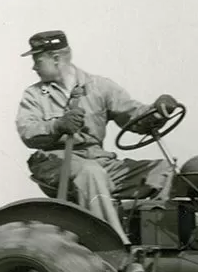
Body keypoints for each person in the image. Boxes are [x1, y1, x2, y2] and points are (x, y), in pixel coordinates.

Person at [15, 30, 179, 244]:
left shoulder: (100, 87)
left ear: (56, 59)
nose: (34, 67)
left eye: (38, 60)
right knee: (91, 173)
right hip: (54, 161)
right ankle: (112, 248)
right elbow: (28, 132)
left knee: (165, 172)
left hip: (99, 161)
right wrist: (57, 125)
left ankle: (159, 247)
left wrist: (158, 112)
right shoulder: (34, 95)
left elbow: (134, 117)